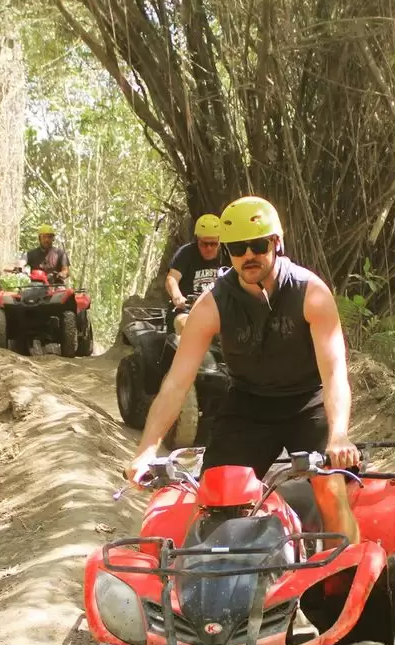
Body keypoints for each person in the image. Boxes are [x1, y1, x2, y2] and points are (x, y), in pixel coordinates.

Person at [125, 196, 360, 544]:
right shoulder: (212, 304)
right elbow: (175, 384)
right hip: (247, 407)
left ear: (276, 244)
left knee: (331, 492)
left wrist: (338, 435)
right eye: (237, 248)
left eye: (257, 245)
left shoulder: (311, 294)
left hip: (306, 405)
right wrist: (147, 449)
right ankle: (193, 588)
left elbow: (335, 374)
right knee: (210, 500)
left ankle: (347, 581)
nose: (248, 255)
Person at [165, 214, 227, 334]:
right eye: (204, 244)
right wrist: (177, 296)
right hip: (186, 310)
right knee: (189, 327)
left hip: (217, 311)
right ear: (197, 239)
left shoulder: (228, 255)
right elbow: (172, 278)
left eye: (213, 244)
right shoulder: (186, 253)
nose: (209, 248)